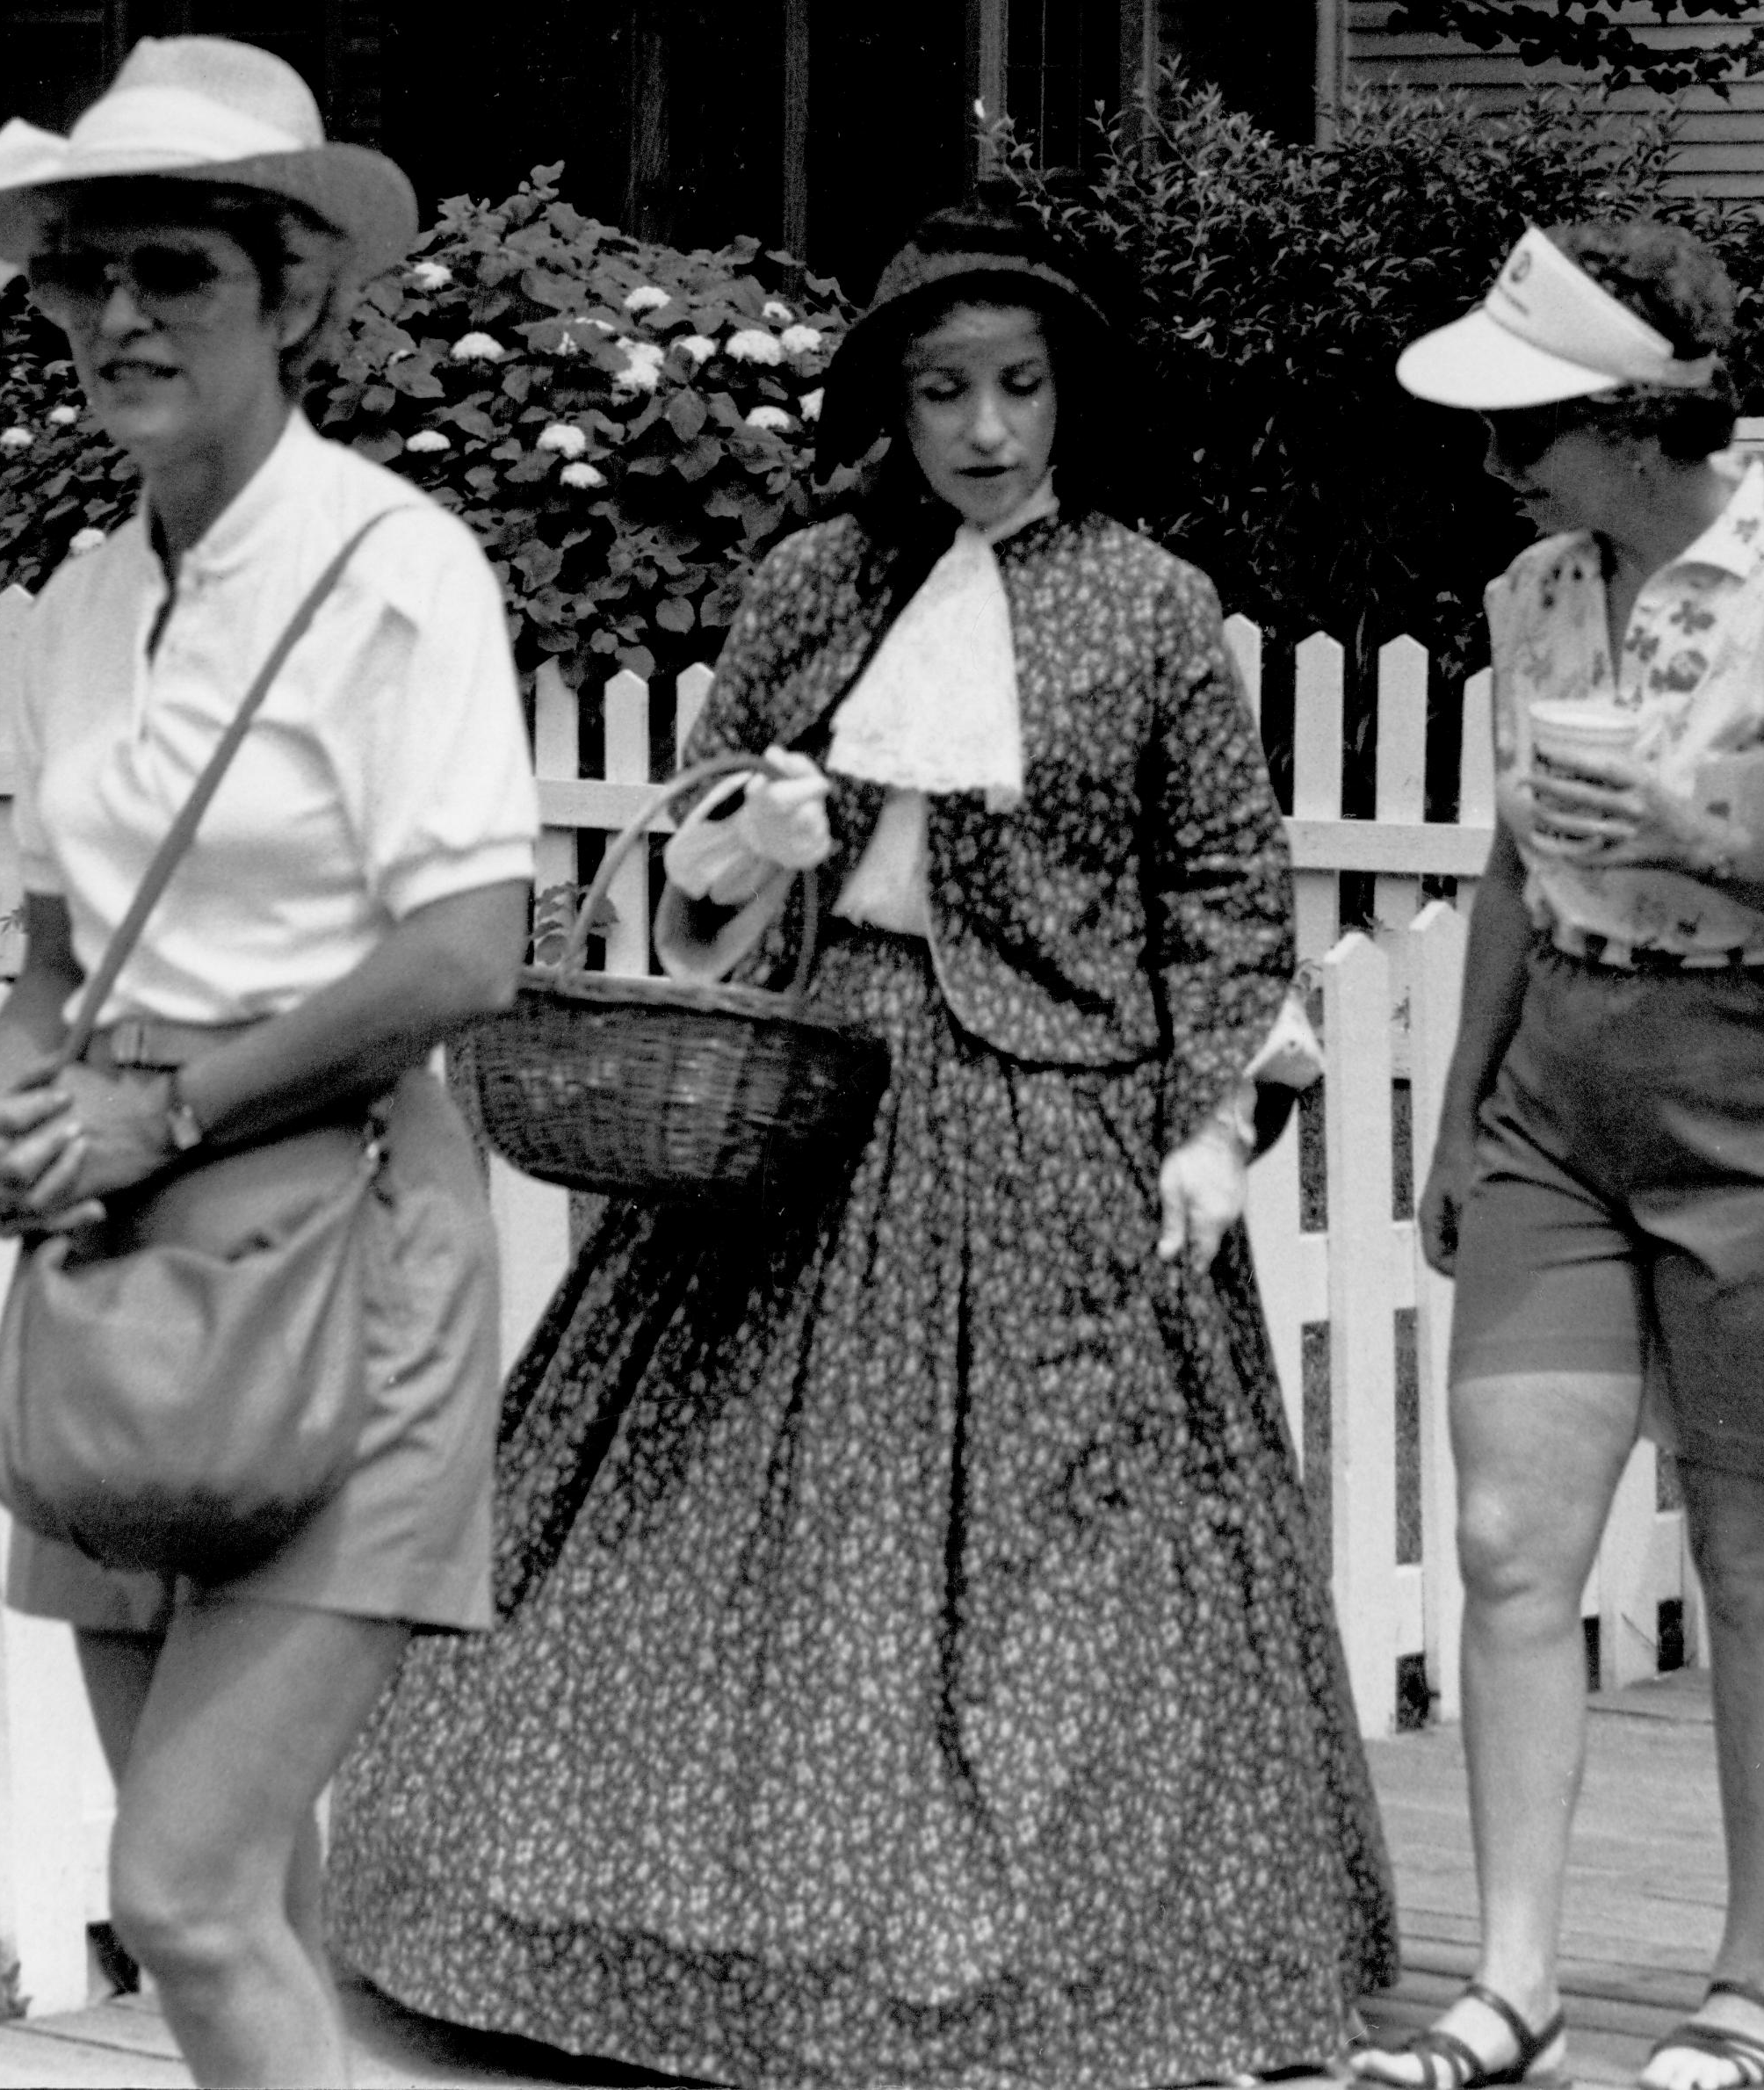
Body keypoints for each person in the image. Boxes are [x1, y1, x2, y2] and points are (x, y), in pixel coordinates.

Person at [325, 199, 1397, 2087]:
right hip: (807, 1104)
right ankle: (691, 1938)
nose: (984, 430)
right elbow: (671, 854)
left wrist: (1220, 1127)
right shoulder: (812, 584)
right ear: (887, 407)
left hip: (1054, 1119)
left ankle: (1098, 1967)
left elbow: (1228, 892)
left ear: (1069, 396)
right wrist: (751, 845)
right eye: (942, 393)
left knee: (1074, 1547)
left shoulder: (1145, 605)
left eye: (1018, 388)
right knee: (718, 1531)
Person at [0, 39, 539, 2086]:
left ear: (293, 295)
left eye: (171, 269)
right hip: (122, 1275)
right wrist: (22, 1092)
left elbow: (467, 948)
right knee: (238, 1905)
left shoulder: (394, 572)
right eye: (83, 274)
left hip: (348, 1241)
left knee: (182, 1882)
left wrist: (165, 1104)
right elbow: (47, 950)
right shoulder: (90, 598)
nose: (114, 316)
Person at [1364, 222, 1764, 2090]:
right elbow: (1519, 862)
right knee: (1514, 1536)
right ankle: (1513, 1982)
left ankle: (1756, 1985)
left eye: (1529, 425)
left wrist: (1704, 829)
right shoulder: (1534, 593)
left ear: (1636, 417)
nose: (1500, 463)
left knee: (1758, 1557)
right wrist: (1462, 1103)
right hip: (1559, 1085)